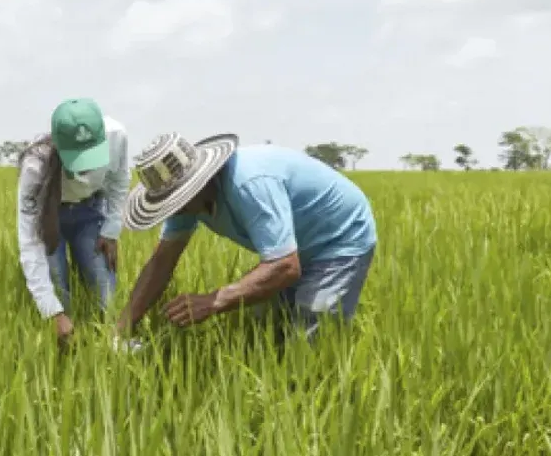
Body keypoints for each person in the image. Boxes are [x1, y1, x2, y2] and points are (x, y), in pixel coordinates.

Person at [113, 132, 377, 345]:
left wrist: (212, 301)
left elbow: (285, 266)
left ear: (198, 181)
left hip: (340, 237)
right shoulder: (188, 203)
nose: (173, 208)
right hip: (294, 243)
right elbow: (162, 261)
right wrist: (123, 326)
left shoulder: (249, 185)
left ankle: (313, 395)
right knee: (268, 325)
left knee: (312, 329)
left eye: (176, 199)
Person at [15, 98, 130, 346]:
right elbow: (30, 243)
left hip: (90, 211)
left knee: (106, 292)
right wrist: (53, 312)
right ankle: (65, 352)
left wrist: (111, 231)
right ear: (57, 145)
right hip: (51, 216)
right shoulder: (36, 165)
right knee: (58, 288)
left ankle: (111, 347)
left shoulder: (116, 135)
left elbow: (120, 180)